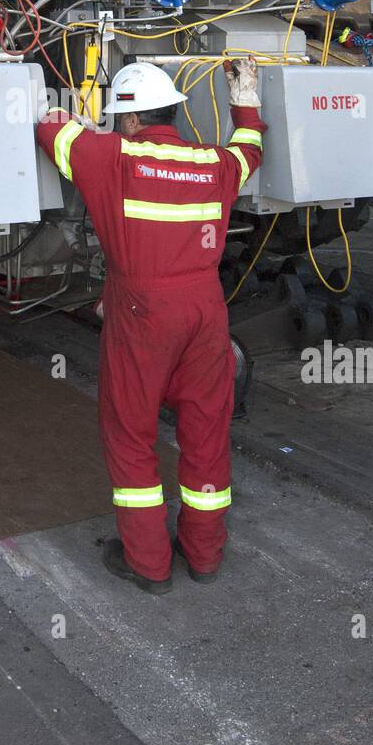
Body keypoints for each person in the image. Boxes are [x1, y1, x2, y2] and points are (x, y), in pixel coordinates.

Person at [36, 57, 266, 595]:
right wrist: (245, 95)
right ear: (172, 114)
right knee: (206, 431)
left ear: (132, 119)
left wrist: (53, 103)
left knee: (131, 433)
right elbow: (250, 145)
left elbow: (50, 125)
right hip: (206, 310)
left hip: (142, 313)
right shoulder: (215, 164)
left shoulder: (111, 156)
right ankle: (204, 554)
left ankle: (149, 564)